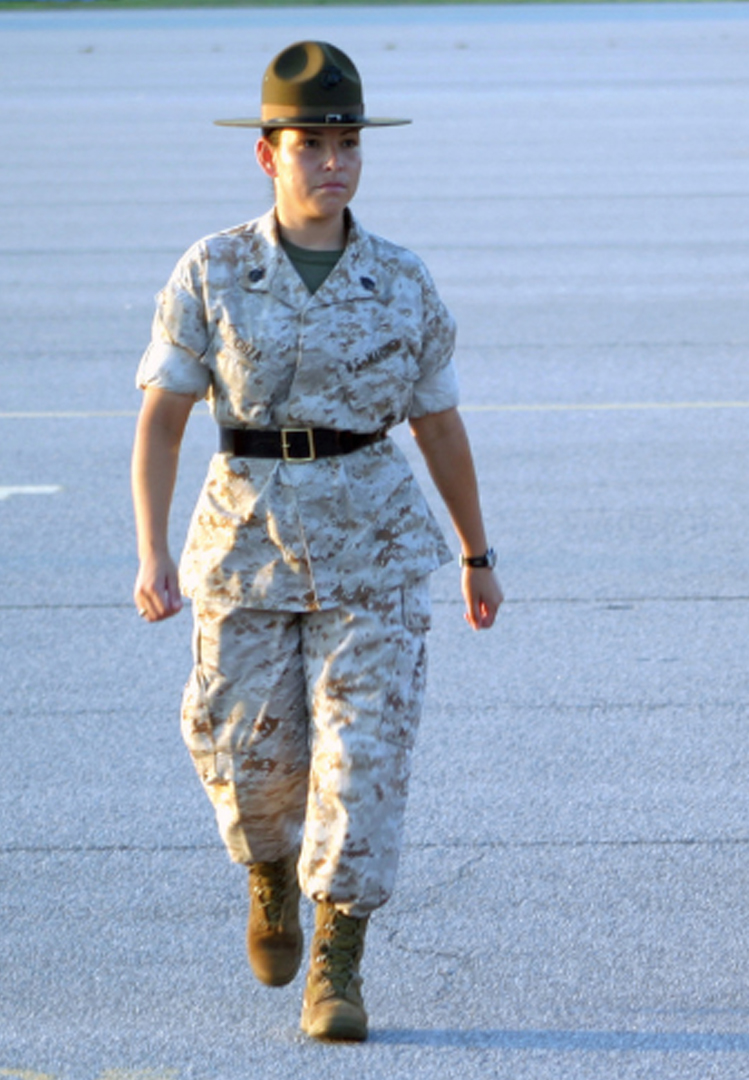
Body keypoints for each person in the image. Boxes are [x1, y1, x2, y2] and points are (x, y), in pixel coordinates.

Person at [130, 41, 501, 1042]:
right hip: (242, 541)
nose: (331, 162)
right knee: (247, 761)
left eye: (346, 143)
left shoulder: (401, 280)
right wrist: (151, 552)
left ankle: (338, 962)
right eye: (310, 144)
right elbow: (163, 416)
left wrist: (476, 550)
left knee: (362, 759)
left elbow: (438, 423)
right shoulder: (213, 268)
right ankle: (267, 875)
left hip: (373, 544)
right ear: (268, 154)